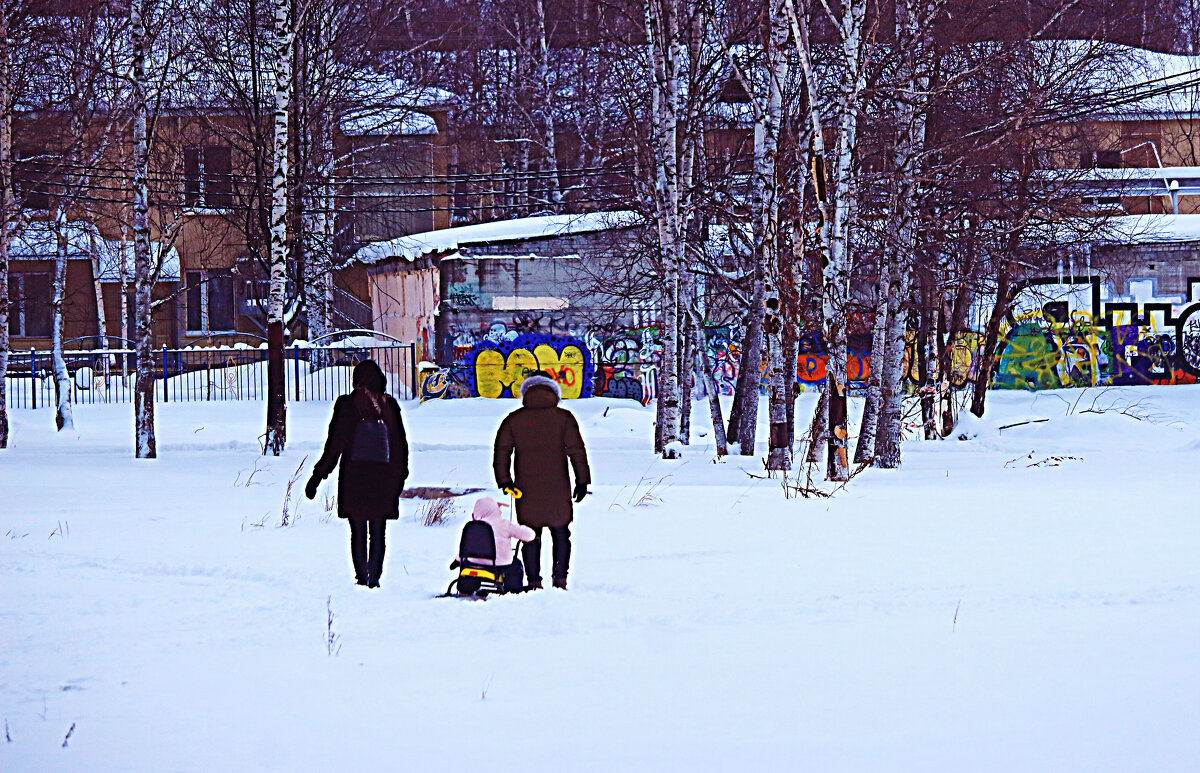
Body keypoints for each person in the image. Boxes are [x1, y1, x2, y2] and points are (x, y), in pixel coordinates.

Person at [305, 360, 409, 588]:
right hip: (384, 478)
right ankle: (375, 577)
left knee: (358, 531)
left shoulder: (347, 405)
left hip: (355, 478)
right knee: (378, 531)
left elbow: (334, 445)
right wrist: (400, 476)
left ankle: (362, 577)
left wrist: (317, 476)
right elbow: (400, 445)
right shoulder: (390, 406)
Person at [493, 370, 590, 590]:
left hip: (526, 490)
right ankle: (560, 578)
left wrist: (505, 481)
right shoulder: (564, 418)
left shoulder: (514, 419)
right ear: (553, 390)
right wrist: (582, 481)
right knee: (561, 534)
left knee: (529, 536)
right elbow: (577, 451)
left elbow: (501, 451)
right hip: (558, 489)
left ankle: (533, 580)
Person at [465, 496, 535, 593]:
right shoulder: (504, 524)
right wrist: (532, 534)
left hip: (474, 562)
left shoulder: (473, 527)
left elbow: (465, 547)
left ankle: (467, 586)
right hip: (499, 563)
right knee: (516, 566)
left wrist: (458, 560)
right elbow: (528, 535)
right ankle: (513, 590)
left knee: (471, 568)